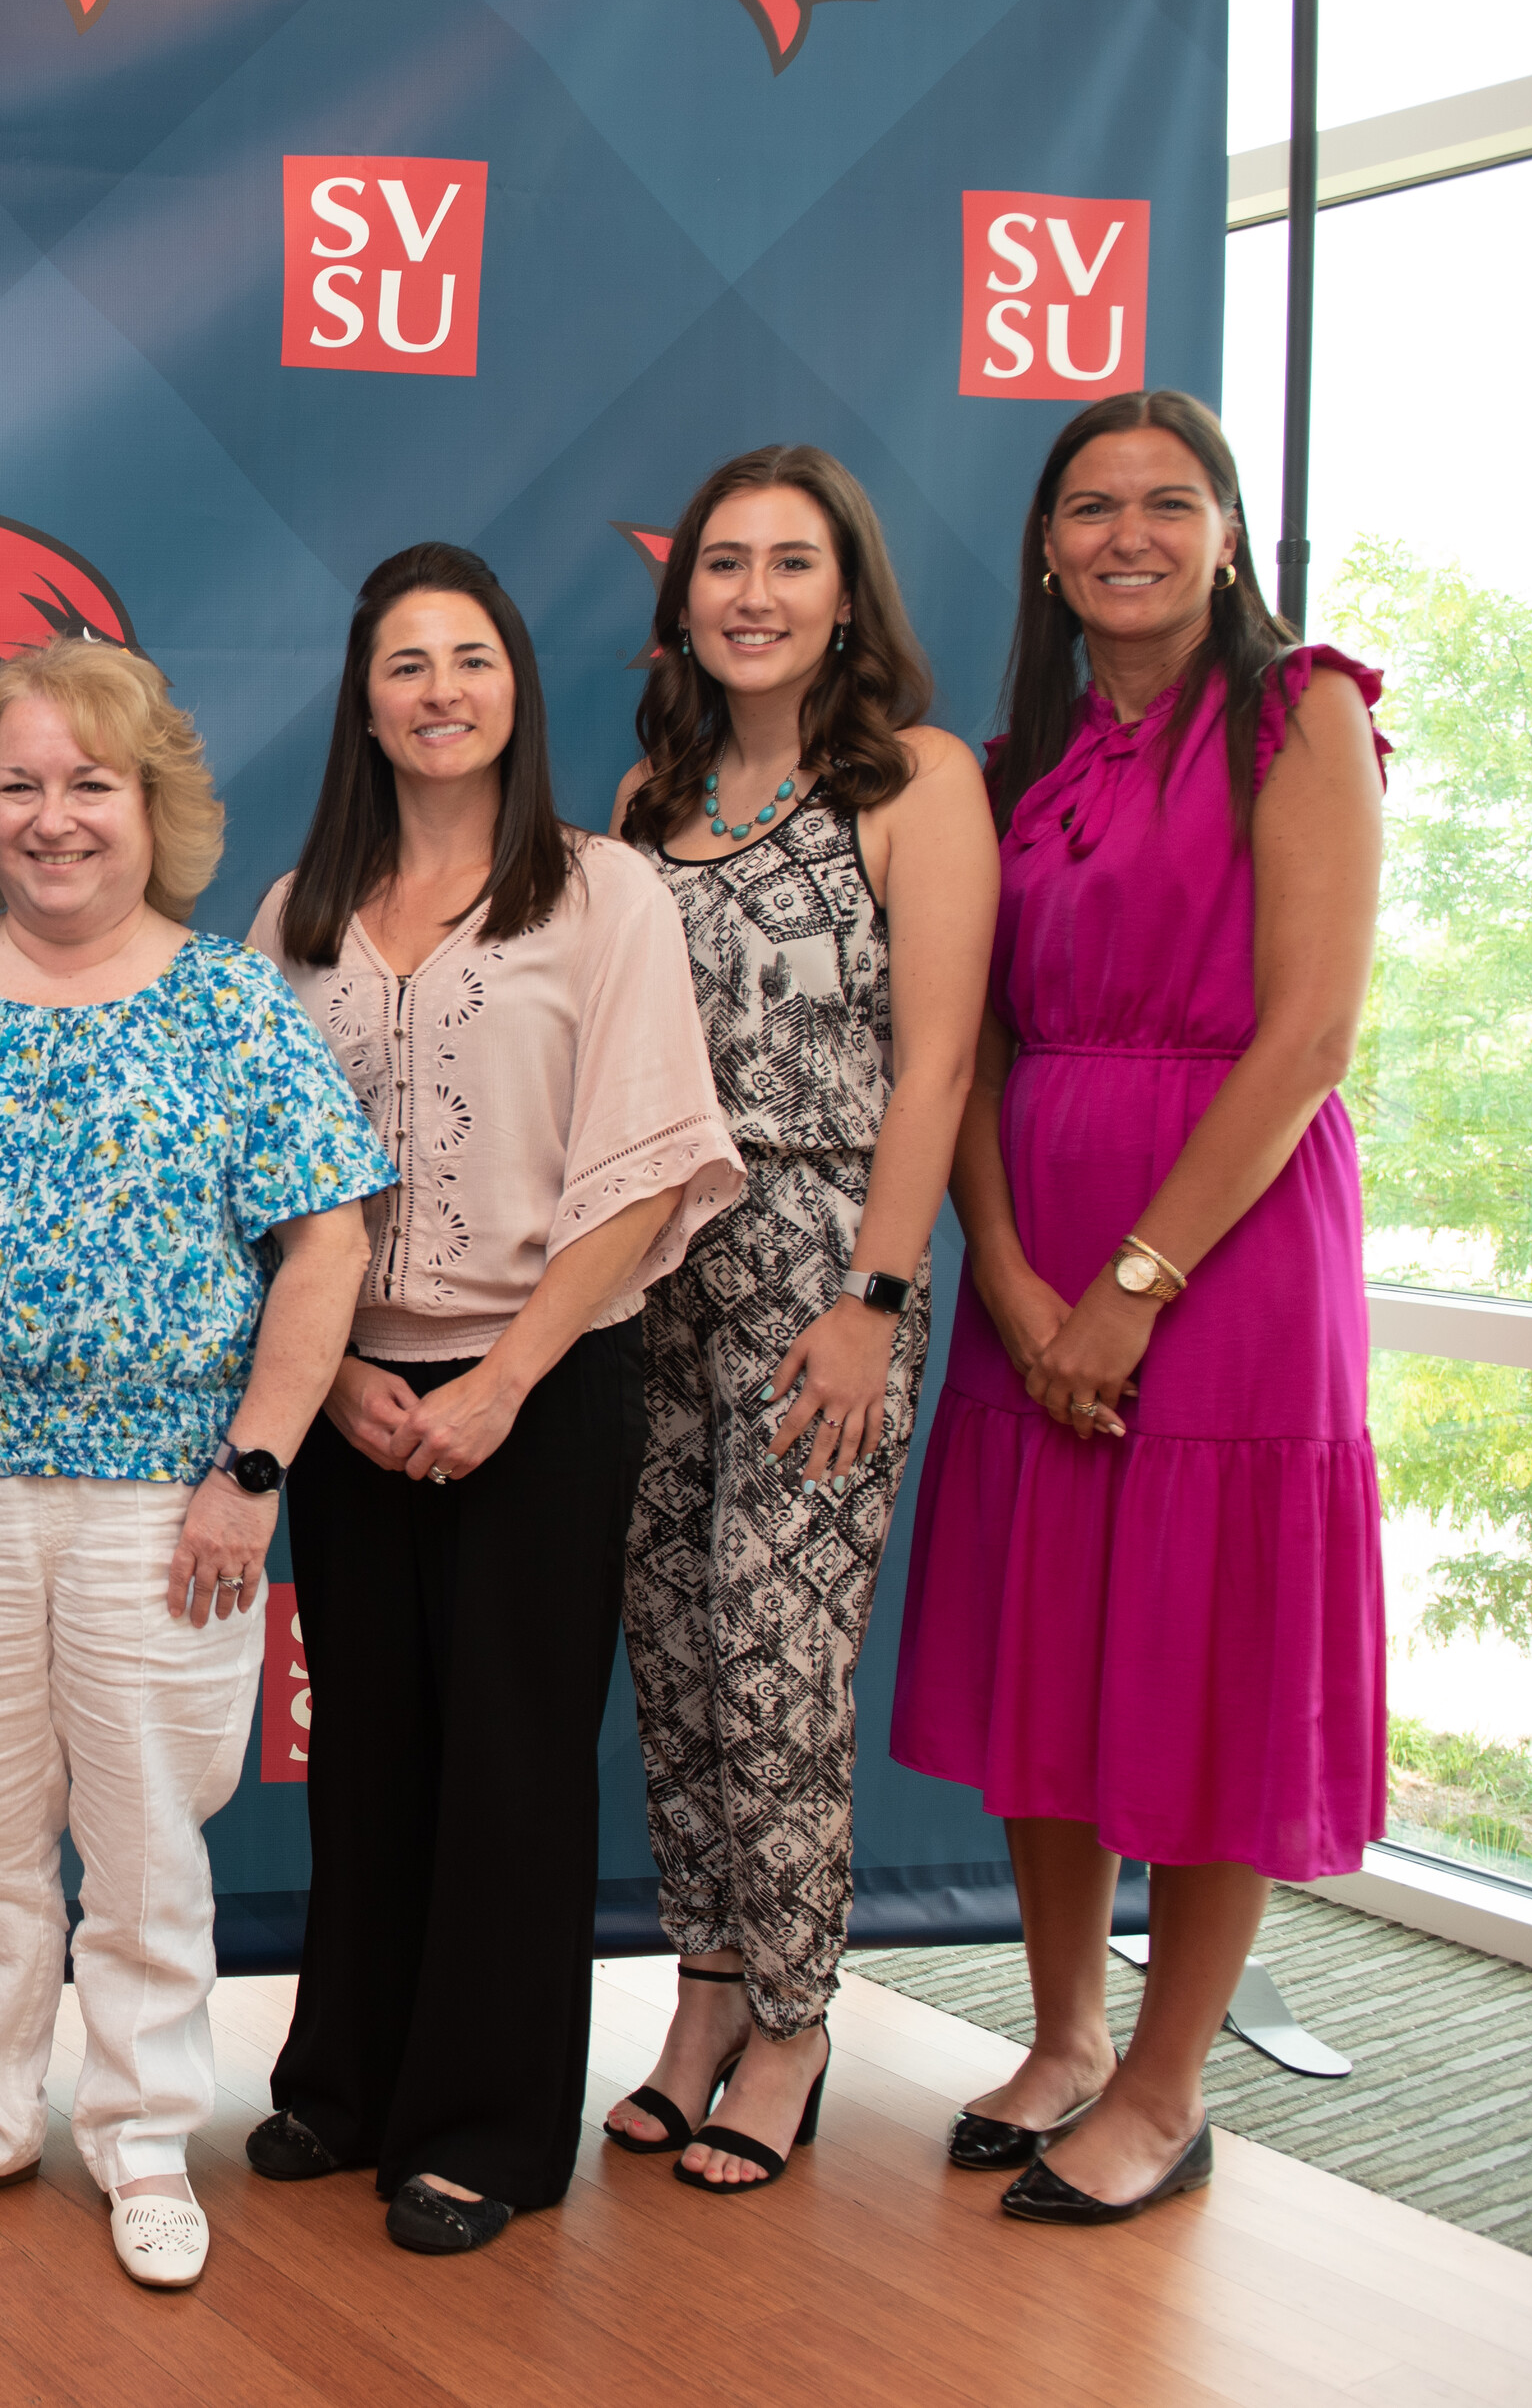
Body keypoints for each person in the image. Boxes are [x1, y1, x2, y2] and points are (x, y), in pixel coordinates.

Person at [0, 637, 390, 2292]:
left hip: (162, 1502)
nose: (54, 820)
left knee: (143, 1838)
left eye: (89, 786)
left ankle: (138, 2134)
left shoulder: (229, 1002)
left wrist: (250, 1470)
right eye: (22, 786)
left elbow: (325, 1245)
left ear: (153, 806)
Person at [893, 390, 1387, 2226]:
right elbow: (976, 1038)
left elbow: (1313, 1036)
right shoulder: (1013, 766)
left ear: (1231, 534)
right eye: (1091, 506)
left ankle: (1171, 2086)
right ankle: (1066, 2033)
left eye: (1170, 505)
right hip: (1037, 1236)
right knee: (1057, 1644)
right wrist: (1014, 1284)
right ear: (1045, 544)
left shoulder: (1299, 712)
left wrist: (1131, 1288)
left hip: (1229, 1254)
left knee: (1203, 1665)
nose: (1128, 535)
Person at [240, 542, 738, 2257]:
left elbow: (648, 1166)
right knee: (370, 1751)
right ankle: (345, 2085)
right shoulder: (294, 915)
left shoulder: (605, 895)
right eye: (404, 664)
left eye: (471, 659)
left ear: (516, 686)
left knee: (515, 1761)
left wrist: (506, 1378)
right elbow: (259, 1183)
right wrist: (348, 1381)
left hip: (546, 1381)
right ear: (362, 702)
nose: (440, 690)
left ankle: (483, 2130)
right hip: (344, 1398)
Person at [598, 448, 998, 2193]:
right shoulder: (642, 798)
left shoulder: (917, 780)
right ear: (682, 599)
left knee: (779, 1668)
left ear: (848, 595)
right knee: (675, 1668)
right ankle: (699, 2000)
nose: (754, 593)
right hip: (648, 1274)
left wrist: (874, 1300)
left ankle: (799, 2021)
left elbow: (940, 1063)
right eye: (724, 565)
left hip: (824, 1265)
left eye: (792, 562)